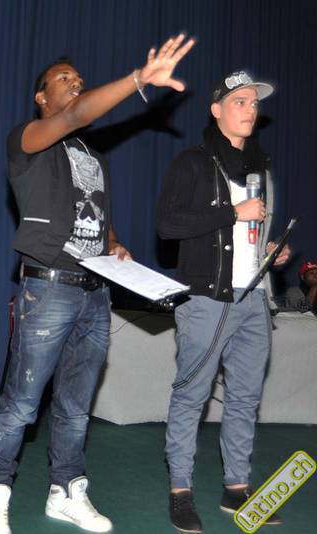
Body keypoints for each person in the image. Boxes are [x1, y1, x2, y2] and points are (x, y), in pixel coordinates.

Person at [0, 35, 194, 534]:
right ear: (41, 97)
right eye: (63, 79)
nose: (75, 83)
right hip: (48, 289)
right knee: (22, 404)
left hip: (95, 293)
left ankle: (67, 491)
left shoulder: (94, 158)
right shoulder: (27, 139)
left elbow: (95, 218)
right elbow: (74, 116)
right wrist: (138, 79)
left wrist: (115, 245)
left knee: (76, 407)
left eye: (79, 79)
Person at [156, 70, 291, 533]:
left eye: (254, 102)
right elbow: (167, 225)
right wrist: (232, 212)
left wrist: (272, 252)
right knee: (191, 396)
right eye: (240, 101)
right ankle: (180, 491)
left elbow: (254, 234)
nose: (250, 109)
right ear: (216, 110)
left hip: (255, 298)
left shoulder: (260, 171)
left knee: (245, 399)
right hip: (208, 300)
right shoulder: (192, 163)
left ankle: (237, 488)